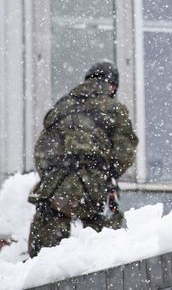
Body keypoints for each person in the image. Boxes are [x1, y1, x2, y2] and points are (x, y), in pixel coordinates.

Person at [27, 61, 138, 257]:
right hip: (92, 185)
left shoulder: (61, 107)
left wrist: (53, 175)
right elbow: (125, 152)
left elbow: (41, 151)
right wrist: (107, 174)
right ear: (112, 86)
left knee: (44, 253)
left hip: (54, 186)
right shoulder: (114, 108)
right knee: (106, 244)